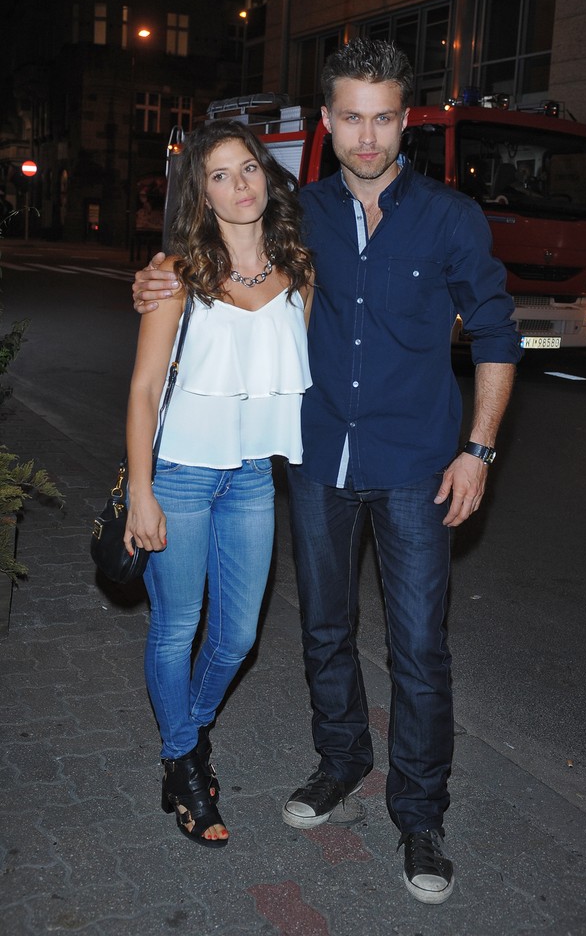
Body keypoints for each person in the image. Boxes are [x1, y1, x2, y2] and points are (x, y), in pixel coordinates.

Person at [131, 38, 521, 900]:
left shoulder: (450, 217)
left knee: (419, 648)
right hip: (314, 461)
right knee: (323, 632)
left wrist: (479, 450)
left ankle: (418, 815)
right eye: (351, 117)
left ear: (406, 120)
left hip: (418, 465)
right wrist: (152, 278)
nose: (367, 136)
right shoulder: (296, 215)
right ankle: (340, 764)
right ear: (327, 122)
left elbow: (497, 334)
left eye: (383, 118)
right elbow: (213, 247)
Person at [125, 119, 313, 848]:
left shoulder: (297, 271)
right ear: (201, 195)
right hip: (179, 474)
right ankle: (185, 767)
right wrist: (141, 492)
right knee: (177, 628)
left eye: (249, 168)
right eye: (220, 175)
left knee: (236, 636)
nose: (240, 186)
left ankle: (186, 736)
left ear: (267, 174)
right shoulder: (177, 273)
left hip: (253, 478)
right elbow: (145, 389)